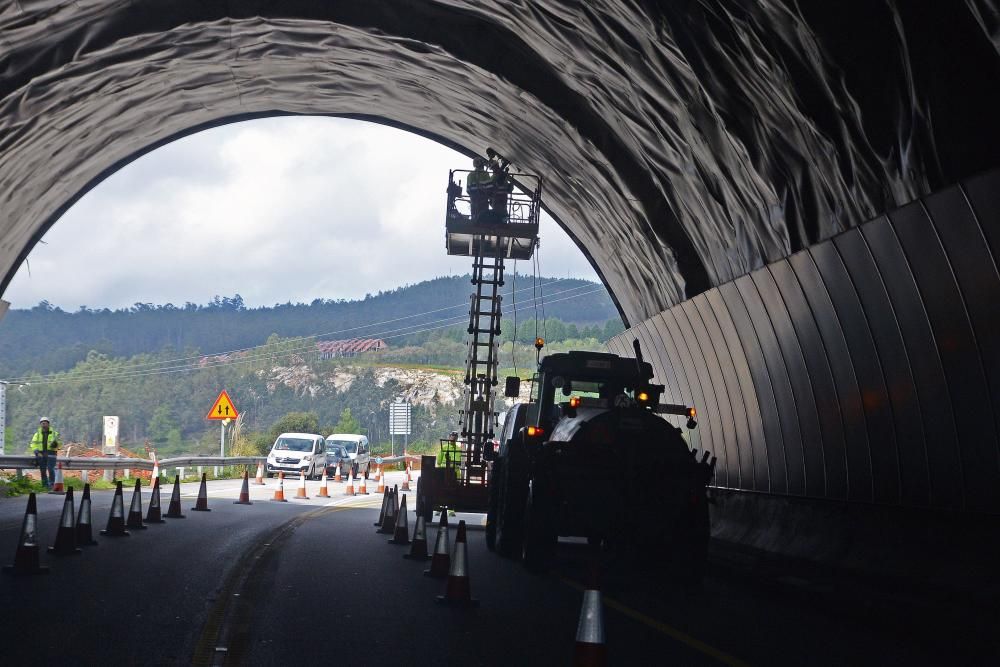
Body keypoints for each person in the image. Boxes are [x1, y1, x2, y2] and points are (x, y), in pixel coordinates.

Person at [29, 417, 60, 489]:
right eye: (42, 422)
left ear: (48, 424)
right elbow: (33, 444)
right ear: (40, 424)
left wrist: (56, 444)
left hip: (51, 454)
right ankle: (44, 485)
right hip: (41, 455)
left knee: (51, 469)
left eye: (45, 422)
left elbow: (60, 444)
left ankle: (52, 484)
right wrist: (36, 452)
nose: (43, 424)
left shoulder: (55, 434)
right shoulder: (37, 434)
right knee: (42, 470)